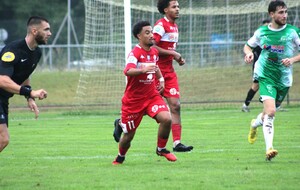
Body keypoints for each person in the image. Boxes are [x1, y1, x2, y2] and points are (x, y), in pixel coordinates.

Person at [112, 20, 176, 165]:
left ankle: (161, 149)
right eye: (147, 33)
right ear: (138, 36)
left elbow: (156, 67)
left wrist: (161, 80)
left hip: (152, 96)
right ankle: (120, 157)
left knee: (167, 119)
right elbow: (127, 70)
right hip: (134, 100)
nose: (151, 35)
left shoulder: (153, 51)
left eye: (151, 32)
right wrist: (142, 70)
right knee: (128, 136)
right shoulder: (135, 53)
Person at [244, 0, 300, 161]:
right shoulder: (262, 32)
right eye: (281, 12)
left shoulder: (293, 32)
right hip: (265, 75)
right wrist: (248, 53)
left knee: (268, 113)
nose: (284, 15)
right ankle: (269, 148)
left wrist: (293, 59)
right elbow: (248, 45)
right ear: (272, 14)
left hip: (283, 79)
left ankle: (255, 123)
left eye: (286, 12)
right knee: (271, 112)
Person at [0, 16, 50, 153]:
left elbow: (24, 74)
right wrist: (30, 92)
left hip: (3, 99)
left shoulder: (36, 53)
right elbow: (2, 80)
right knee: (3, 138)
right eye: (46, 29)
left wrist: (29, 98)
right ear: (34, 31)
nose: (49, 33)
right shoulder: (13, 50)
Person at [152, 0, 193, 152]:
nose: (178, 9)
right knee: (144, 108)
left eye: (178, 7)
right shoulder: (160, 26)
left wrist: (178, 58)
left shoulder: (174, 27)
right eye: (174, 7)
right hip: (156, 73)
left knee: (175, 106)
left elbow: (168, 50)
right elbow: (152, 46)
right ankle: (122, 123)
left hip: (169, 73)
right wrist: (174, 53)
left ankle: (177, 143)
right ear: (165, 10)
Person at [241, 19, 271, 112]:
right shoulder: (259, 40)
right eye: (265, 26)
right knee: (256, 86)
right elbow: (249, 49)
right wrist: (250, 55)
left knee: (270, 84)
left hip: (269, 67)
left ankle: (273, 105)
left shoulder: (271, 40)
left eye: (268, 26)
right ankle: (245, 105)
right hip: (259, 68)